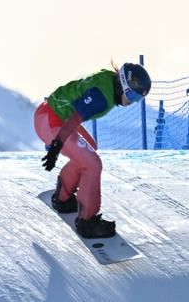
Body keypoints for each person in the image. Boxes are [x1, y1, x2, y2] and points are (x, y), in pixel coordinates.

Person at [36, 62, 152, 238]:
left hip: (51, 114)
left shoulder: (109, 80)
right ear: (122, 84)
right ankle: (87, 222)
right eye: (131, 95)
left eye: (137, 99)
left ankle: (63, 198)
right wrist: (56, 145)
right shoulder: (102, 97)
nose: (131, 102)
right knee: (92, 163)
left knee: (89, 151)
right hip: (51, 120)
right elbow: (76, 117)